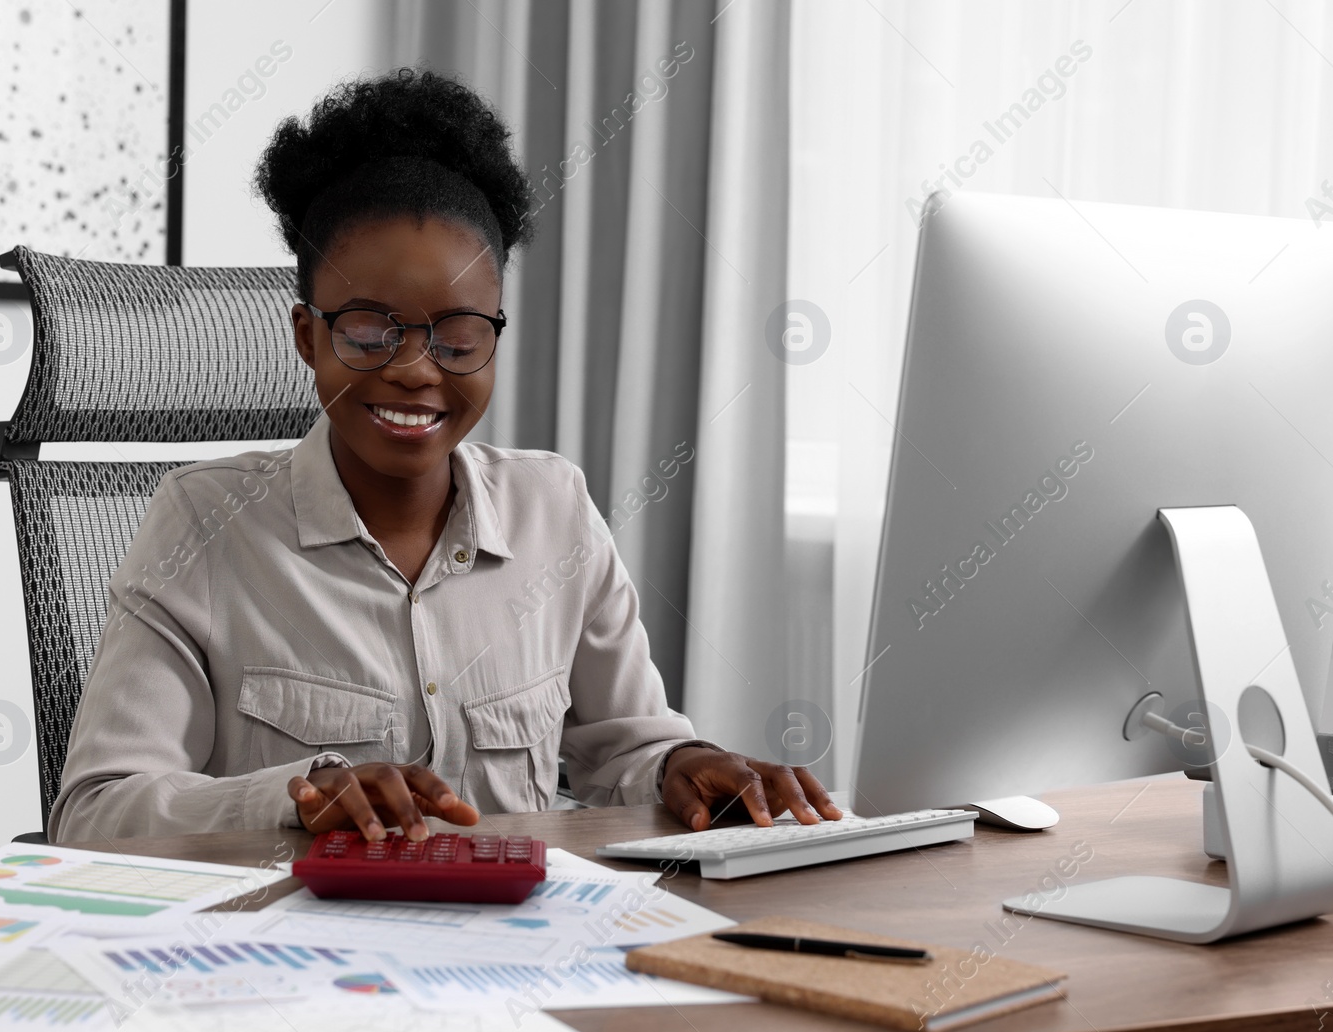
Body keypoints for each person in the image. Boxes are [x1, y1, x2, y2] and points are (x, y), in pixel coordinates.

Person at [48, 67, 841, 845]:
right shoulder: (202, 522)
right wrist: (295, 794)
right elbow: (96, 810)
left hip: (520, 954)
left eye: (459, 338)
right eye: (367, 330)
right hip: (298, 956)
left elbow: (628, 748)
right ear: (306, 335)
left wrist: (686, 762)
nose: (416, 370)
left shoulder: (554, 511)